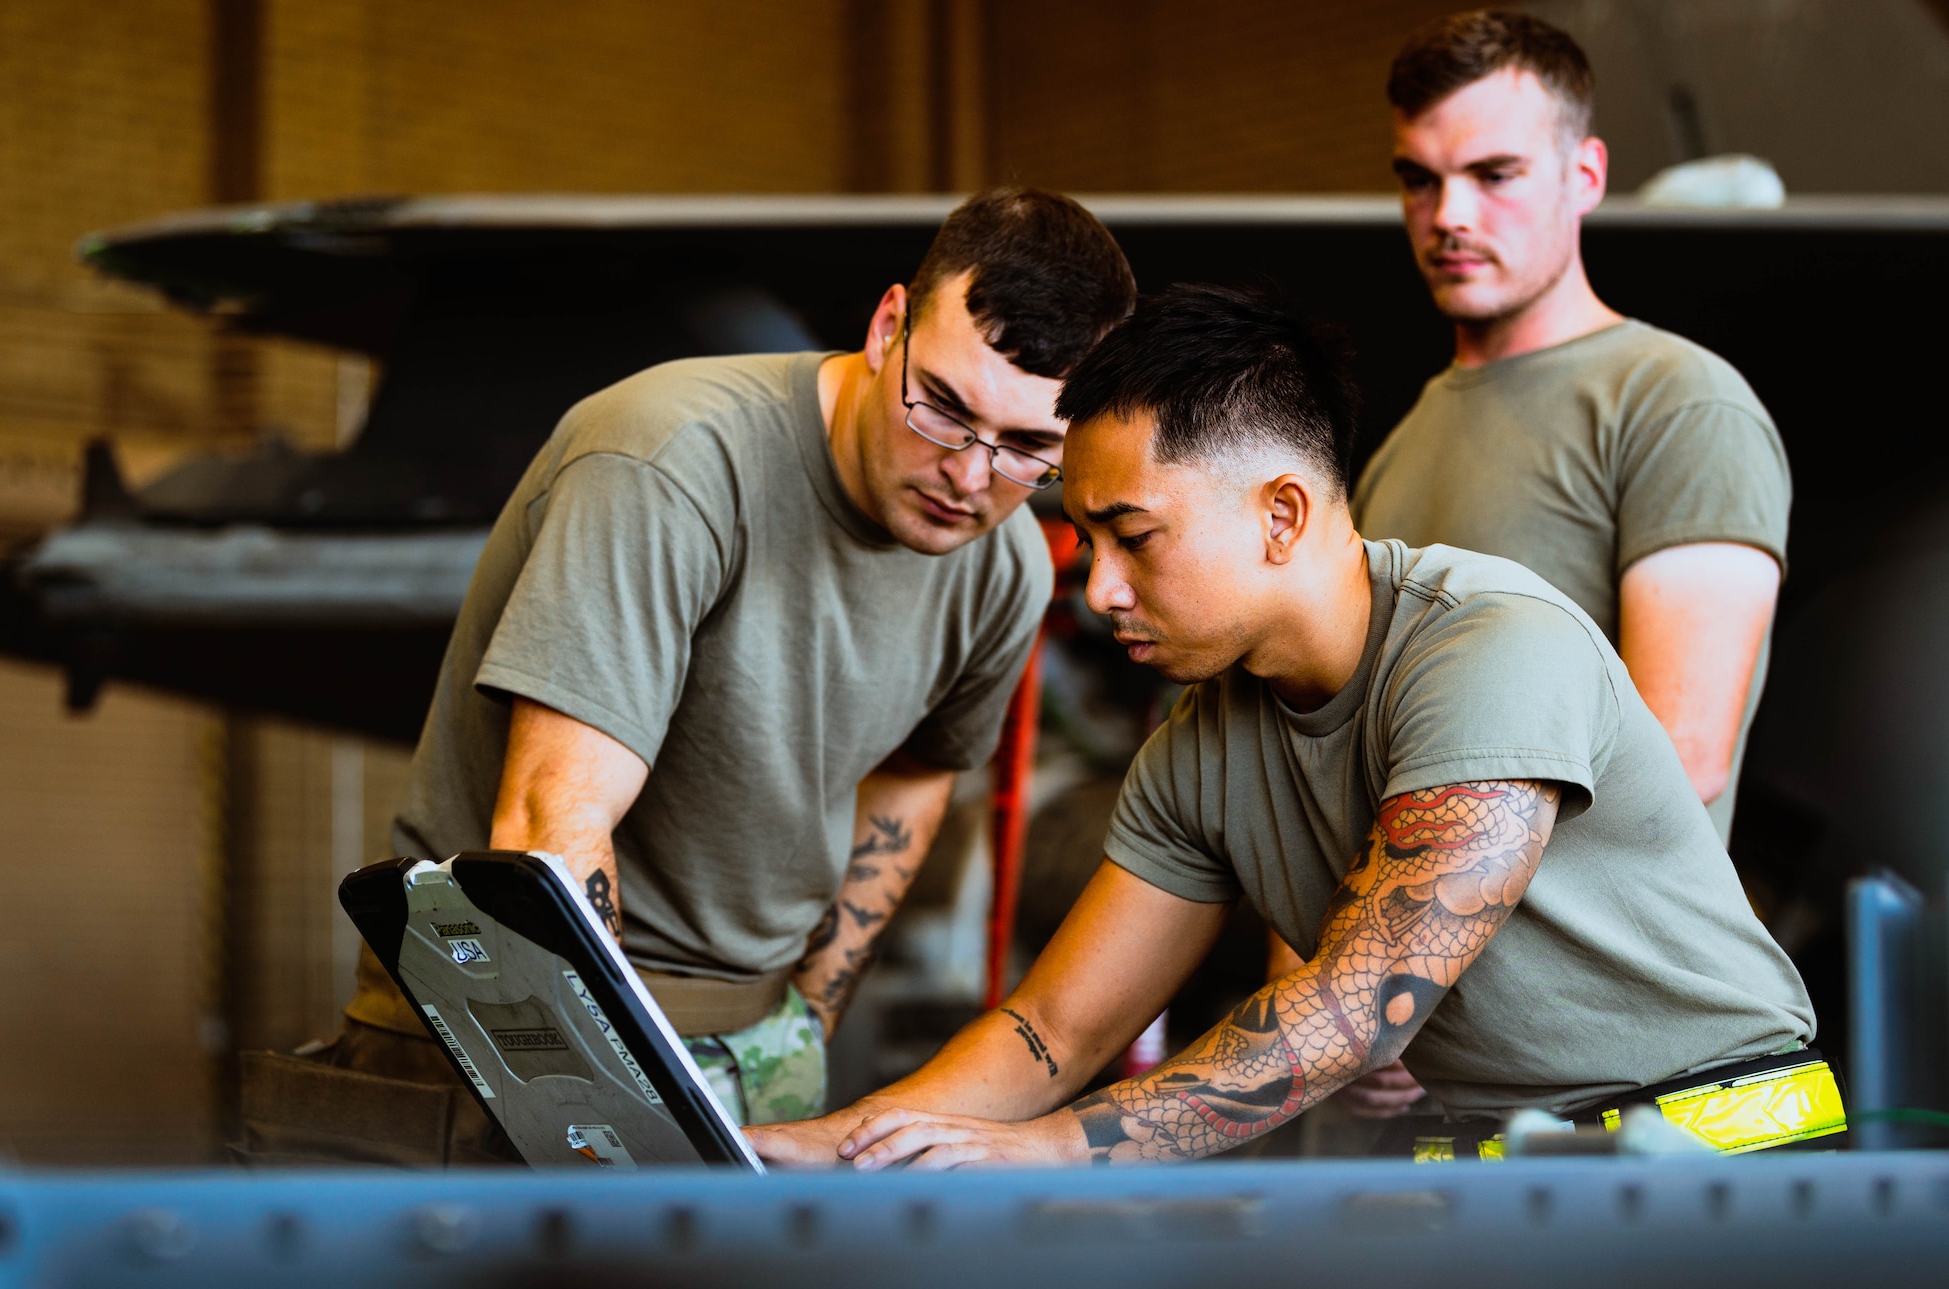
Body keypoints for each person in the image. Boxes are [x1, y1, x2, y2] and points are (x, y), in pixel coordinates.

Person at [749, 283, 1825, 1170]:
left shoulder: (1489, 646)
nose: (1101, 589)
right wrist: (837, 1144)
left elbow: (1360, 1007)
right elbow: (1054, 1030)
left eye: (1131, 537)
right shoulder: (1202, 742)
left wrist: (1045, 1150)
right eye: (1086, 541)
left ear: (1280, 515)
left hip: (1721, 1148)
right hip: (1514, 1163)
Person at [334, 188, 1137, 1136]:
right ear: (888, 329)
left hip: (760, 1047)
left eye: (1028, 448)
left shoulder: (1000, 564)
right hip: (505, 1021)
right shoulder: (670, 461)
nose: (968, 475)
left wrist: (810, 1016)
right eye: (943, 411)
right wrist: (612, 1104)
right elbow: (551, 822)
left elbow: (917, 772)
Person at [1333, 11, 1794, 1124]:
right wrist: (1353, 990)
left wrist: (1393, 961)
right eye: (1418, 179)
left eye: (1492, 174)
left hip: (1656, 1089)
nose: (1447, 216)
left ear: (1582, 173)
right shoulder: (1397, 449)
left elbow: (1676, 755)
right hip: (1452, 1086)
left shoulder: (1673, 400)